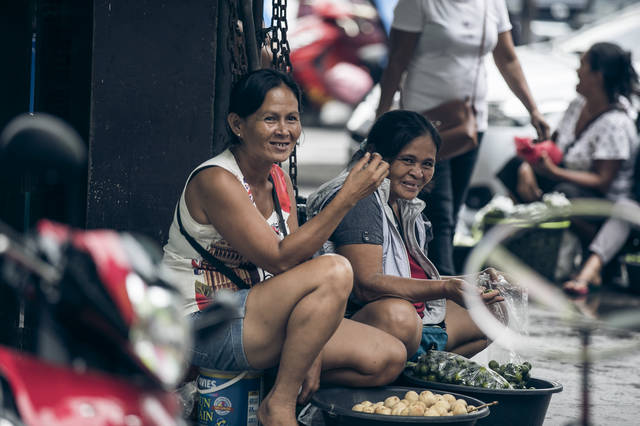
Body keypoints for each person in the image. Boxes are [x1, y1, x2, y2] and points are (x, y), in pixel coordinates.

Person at [162, 69, 401, 426]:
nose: (284, 130)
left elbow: (301, 261)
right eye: (270, 119)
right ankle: (280, 405)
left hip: (257, 317)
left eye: (292, 118)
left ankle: (282, 389)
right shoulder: (216, 180)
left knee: (389, 356)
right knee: (336, 269)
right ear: (238, 125)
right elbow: (280, 259)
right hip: (202, 326)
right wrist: (348, 195)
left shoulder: (278, 178)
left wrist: (313, 348)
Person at [307, 110, 505, 362]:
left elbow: (410, 277)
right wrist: (446, 287)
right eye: (407, 160)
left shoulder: (407, 205)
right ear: (378, 157)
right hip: (360, 323)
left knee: (496, 306)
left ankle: (419, 365)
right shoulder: (360, 197)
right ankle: (403, 361)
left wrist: (472, 280)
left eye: (427, 164)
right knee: (400, 316)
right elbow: (367, 286)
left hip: (416, 319)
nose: (418, 173)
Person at [375, 0, 550, 276]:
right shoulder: (419, 3)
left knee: (452, 211)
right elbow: (397, 61)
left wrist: (534, 110)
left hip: (471, 124)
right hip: (423, 125)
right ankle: (444, 288)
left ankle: (433, 282)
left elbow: (507, 58)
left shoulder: (492, 4)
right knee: (438, 212)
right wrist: (381, 119)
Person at [497, 42, 639, 206]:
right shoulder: (578, 104)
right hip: (566, 177)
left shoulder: (616, 124)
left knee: (564, 193)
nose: (577, 71)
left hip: (601, 201)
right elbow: (553, 146)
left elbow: (601, 182)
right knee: (515, 166)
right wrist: (528, 166)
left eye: (582, 65)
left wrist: (555, 172)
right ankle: (511, 223)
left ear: (597, 76)